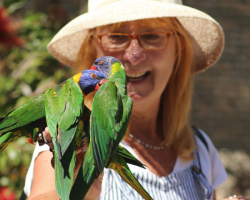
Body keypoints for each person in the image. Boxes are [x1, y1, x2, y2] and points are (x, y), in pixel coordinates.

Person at [20, 0, 249, 200]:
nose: (133, 56)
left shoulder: (200, 150)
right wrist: (73, 193)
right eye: (116, 37)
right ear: (93, 47)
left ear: (178, 48)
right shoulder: (70, 137)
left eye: (152, 36)